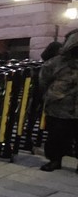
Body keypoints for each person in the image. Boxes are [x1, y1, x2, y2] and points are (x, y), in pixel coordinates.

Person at [38, 31, 78, 171]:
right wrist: (53, 96)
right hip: (60, 106)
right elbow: (44, 81)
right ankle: (55, 160)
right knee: (56, 136)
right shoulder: (56, 62)